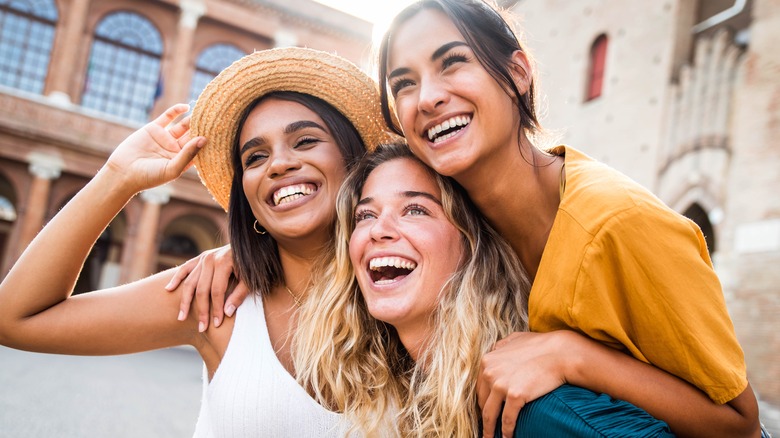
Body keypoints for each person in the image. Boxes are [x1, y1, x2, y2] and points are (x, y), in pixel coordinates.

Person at [373, 0, 762, 437]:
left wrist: (571, 356)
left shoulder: (620, 223)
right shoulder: (453, 225)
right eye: (404, 84)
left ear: (518, 74)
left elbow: (740, 424)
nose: (428, 98)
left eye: (453, 62)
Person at [0, 46, 396, 436]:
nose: (279, 164)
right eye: (254, 158)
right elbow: (17, 318)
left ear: (356, 158)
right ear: (247, 196)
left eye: (306, 141)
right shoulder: (214, 302)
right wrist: (117, 177)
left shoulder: (412, 294)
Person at [293, 141, 676, 437]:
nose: (379, 229)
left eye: (416, 210)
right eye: (366, 215)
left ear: (472, 244)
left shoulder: (537, 410)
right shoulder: (403, 403)